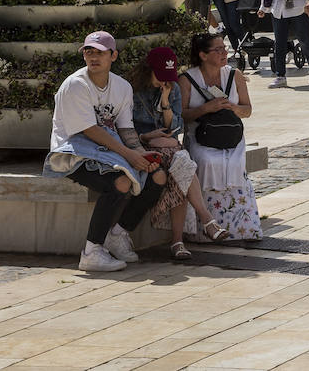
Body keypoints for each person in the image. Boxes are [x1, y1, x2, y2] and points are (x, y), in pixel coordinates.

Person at [43, 31, 169, 271]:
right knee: (121, 183)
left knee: (158, 175)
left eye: (100, 52)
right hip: (74, 152)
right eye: (89, 52)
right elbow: (90, 131)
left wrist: (141, 154)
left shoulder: (122, 87)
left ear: (113, 56)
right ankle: (91, 252)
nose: (93, 57)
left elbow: (125, 128)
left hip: (110, 151)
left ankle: (118, 234)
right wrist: (131, 156)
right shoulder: (75, 85)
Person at [129, 46, 228, 260]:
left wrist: (165, 101)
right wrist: (146, 137)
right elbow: (124, 130)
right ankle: (204, 222)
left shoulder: (171, 89)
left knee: (181, 167)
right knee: (182, 166)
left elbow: (176, 127)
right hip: (143, 149)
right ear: (148, 70)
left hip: (171, 150)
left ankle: (180, 241)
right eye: (159, 75)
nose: (164, 81)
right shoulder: (131, 92)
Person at [179, 32, 262, 240]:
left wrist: (231, 107)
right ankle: (205, 227)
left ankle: (241, 226)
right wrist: (206, 108)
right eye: (217, 50)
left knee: (234, 162)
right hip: (201, 136)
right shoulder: (187, 79)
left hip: (230, 136)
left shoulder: (235, 75)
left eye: (224, 48)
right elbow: (182, 117)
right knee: (207, 160)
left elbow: (248, 110)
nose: (224, 53)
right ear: (203, 55)